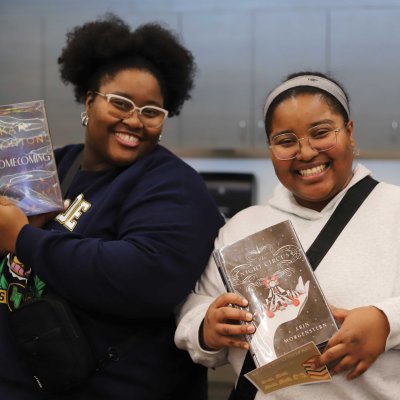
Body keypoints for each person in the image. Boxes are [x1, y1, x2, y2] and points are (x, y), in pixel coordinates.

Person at [0, 13, 225, 400]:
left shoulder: (174, 186)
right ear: (90, 101)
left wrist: (22, 238)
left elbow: (145, 277)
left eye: (151, 111)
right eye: (120, 103)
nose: (135, 120)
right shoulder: (50, 165)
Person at [175, 71, 400, 399]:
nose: (306, 153)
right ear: (270, 147)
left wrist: (387, 321)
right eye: (286, 140)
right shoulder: (241, 226)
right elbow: (194, 310)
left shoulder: (395, 209)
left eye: (321, 132)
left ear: (349, 132)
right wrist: (206, 327)